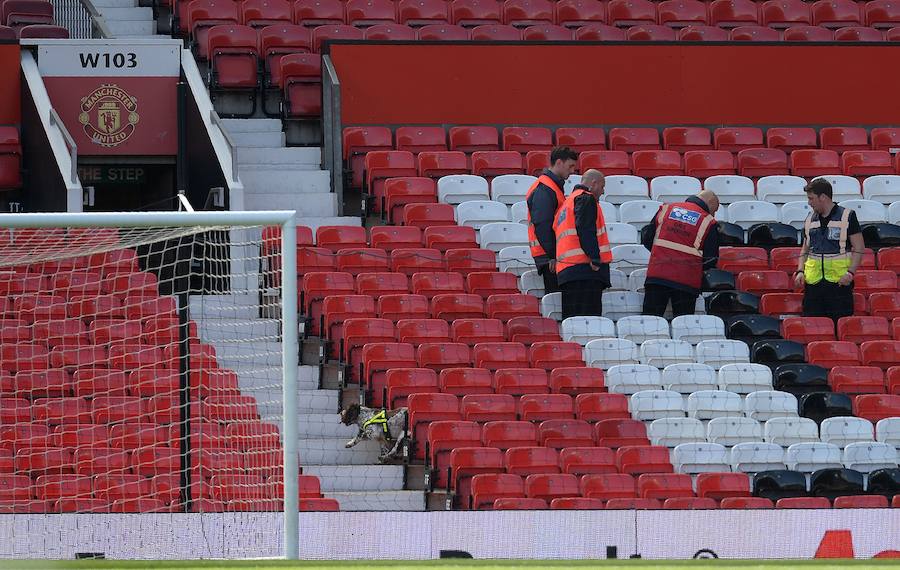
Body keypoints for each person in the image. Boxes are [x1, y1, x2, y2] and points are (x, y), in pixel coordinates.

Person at [793, 178, 864, 324]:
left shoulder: (847, 216)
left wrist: (850, 273)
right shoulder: (809, 219)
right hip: (813, 285)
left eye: (811, 198)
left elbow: (859, 247)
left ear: (823, 197)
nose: (809, 202)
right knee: (813, 327)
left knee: (840, 326)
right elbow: (805, 249)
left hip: (839, 284)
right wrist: (800, 271)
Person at [641, 190, 720, 318]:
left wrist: (661, 254)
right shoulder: (708, 221)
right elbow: (711, 259)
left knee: (650, 323)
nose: (714, 214)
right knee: (684, 325)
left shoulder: (666, 209)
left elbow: (647, 238)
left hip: (657, 275)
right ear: (710, 203)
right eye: (715, 210)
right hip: (686, 282)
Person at [553, 169, 612, 319]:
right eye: (602, 186)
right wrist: (594, 258)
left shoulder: (566, 205)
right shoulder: (586, 198)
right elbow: (585, 229)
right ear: (594, 183)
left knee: (573, 322)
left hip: (567, 272)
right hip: (585, 271)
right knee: (590, 322)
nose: (603, 191)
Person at [526, 146, 578, 294]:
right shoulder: (545, 188)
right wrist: (553, 256)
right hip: (549, 257)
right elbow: (542, 225)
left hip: (551, 254)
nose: (573, 171)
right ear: (559, 163)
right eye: (571, 166)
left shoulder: (550, 186)